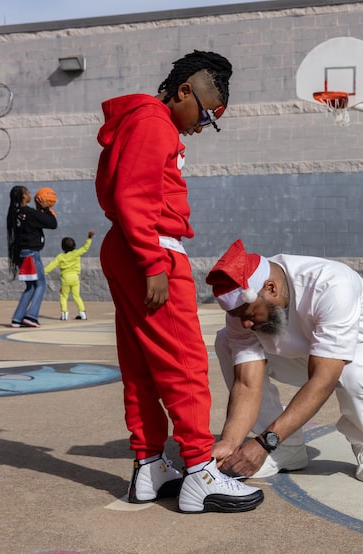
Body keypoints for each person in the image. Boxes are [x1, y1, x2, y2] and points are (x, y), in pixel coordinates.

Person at [95, 50, 263, 513]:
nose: (203, 126)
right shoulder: (154, 121)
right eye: (205, 114)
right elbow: (134, 193)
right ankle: (199, 471)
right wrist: (153, 262)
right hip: (151, 246)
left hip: (129, 243)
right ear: (184, 90)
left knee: (142, 364)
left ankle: (150, 466)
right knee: (183, 361)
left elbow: (128, 193)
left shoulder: (141, 119)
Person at [206, 239, 363, 484]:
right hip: (313, 355)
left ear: (271, 288)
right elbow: (247, 384)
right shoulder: (245, 306)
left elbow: (323, 380)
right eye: (238, 317)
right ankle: (288, 449)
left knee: (354, 371)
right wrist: (230, 442)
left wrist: (264, 442)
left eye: (249, 315)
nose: (245, 324)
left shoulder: (331, 285)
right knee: (226, 341)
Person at [7, 185, 57, 328]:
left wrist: (40, 211)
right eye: (28, 192)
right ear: (23, 196)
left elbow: (35, 221)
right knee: (41, 284)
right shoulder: (28, 213)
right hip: (31, 254)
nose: (30, 194)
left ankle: (17, 318)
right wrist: (46, 209)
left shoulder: (16, 213)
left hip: (22, 254)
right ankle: (31, 316)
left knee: (31, 287)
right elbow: (52, 223)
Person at [44, 230, 96, 321]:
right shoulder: (76, 253)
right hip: (75, 277)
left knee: (63, 296)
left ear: (62, 247)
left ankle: (64, 314)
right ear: (74, 246)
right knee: (77, 296)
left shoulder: (60, 256)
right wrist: (89, 238)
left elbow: (52, 265)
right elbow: (85, 248)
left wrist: (43, 272)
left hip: (65, 278)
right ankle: (82, 313)